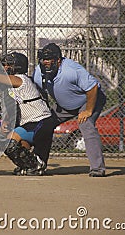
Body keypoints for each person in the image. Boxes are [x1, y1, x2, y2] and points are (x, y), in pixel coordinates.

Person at [0, 52, 55, 175]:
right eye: (4, 65)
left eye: (8, 65)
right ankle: (28, 164)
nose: (5, 68)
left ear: (18, 67)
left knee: (9, 141)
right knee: (2, 136)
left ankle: (36, 164)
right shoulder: (13, 84)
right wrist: (6, 121)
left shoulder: (20, 79)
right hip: (32, 122)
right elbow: (13, 105)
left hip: (40, 121)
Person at [33, 43, 107, 177]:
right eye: (43, 59)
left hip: (89, 100)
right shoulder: (39, 72)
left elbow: (92, 88)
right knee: (45, 124)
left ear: (58, 60)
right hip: (65, 105)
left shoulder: (71, 70)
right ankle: (38, 165)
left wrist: (88, 110)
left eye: (49, 59)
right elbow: (39, 92)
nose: (46, 62)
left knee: (86, 124)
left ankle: (97, 168)